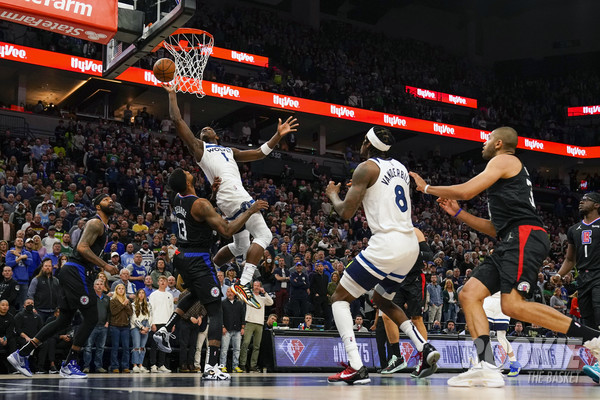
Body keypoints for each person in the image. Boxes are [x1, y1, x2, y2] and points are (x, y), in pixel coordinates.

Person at [410, 127, 600, 387]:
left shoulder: (504, 160)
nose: (484, 144)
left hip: (524, 236)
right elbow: (495, 229)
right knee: (469, 294)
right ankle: (486, 365)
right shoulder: (504, 177)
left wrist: (427, 187)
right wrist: (458, 214)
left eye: (487, 139)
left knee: (512, 305)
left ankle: (593, 338)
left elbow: (466, 191)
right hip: (511, 238)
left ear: (499, 143)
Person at [164, 83, 298, 309]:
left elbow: (259, 153)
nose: (205, 129)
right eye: (202, 129)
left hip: (228, 198)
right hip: (233, 194)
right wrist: (172, 94)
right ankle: (244, 284)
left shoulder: (229, 151)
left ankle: (212, 268)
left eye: (209, 128)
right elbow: (177, 121)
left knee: (240, 246)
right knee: (264, 235)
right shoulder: (200, 148)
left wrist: (277, 136)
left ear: (216, 135)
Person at [325, 127, 439, 385]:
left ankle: (356, 366)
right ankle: (424, 348)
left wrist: (332, 194)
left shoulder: (366, 168)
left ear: (368, 143)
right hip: (409, 244)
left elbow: (345, 213)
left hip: (387, 243)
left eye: (362, 141)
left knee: (339, 298)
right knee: (382, 300)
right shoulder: (400, 168)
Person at [152, 168, 268, 380]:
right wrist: (250, 211)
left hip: (181, 255)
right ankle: (212, 367)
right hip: (199, 259)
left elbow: (199, 212)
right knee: (215, 310)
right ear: (188, 183)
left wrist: (212, 195)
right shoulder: (200, 204)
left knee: (197, 293)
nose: (189, 171)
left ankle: (166, 329)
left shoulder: (178, 198)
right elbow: (227, 230)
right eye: (186, 172)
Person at [8, 194, 119, 378]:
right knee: (92, 316)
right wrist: (105, 265)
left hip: (73, 271)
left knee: (64, 320)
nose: (111, 201)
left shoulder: (103, 226)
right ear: (98, 206)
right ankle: (69, 363)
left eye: (111, 199)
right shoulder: (95, 223)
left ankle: (22, 354)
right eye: (106, 199)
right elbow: (82, 248)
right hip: (77, 270)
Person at [555, 192, 600, 382]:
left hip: (599, 275)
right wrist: (559, 275)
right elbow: (570, 259)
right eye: (581, 199)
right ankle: (598, 362)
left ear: (597, 204)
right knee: (589, 324)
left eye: (587, 199)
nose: (581, 201)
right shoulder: (574, 229)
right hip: (583, 279)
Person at [381, 227, 433, 377]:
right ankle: (397, 357)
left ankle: (423, 358)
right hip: (395, 277)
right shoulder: (388, 231)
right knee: (387, 316)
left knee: (416, 318)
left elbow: (428, 255)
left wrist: (410, 252)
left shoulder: (415, 231)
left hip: (414, 278)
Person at [483, 292, 521, 377]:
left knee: (501, 337)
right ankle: (490, 364)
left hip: (503, 301)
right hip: (488, 300)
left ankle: (514, 362)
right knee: (485, 335)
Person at [239, 281, 273, 372]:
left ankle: (253, 365)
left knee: (256, 346)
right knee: (245, 343)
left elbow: (271, 302)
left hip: (259, 323)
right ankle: (242, 364)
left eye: (258, 286)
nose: (257, 287)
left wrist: (265, 293)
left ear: (261, 287)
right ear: (252, 287)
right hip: (249, 322)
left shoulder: (262, 299)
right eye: (255, 285)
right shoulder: (249, 296)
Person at [82, 279, 110, 374]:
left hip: (103, 326)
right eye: (97, 284)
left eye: (101, 284)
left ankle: (99, 366)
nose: (99, 286)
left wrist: (107, 322)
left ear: (103, 286)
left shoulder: (107, 298)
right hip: (92, 326)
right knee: (88, 347)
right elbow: (83, 310)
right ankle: (86, 366)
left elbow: (109, 312)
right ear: (94, 287)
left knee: (100, 348)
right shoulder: (89, 297)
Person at [26, 258, 61, 323]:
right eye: (46, 266)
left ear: (52, 268)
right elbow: (30, 295)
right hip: (39, 311)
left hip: (53, 311)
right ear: (42, 267)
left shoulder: (56, 281)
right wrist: (32, 308)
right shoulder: (36, 279)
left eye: (49, 266)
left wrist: (58, 307)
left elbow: (59, 295)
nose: (47, 268)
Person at [109, 283, 133, 373]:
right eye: (119, 288)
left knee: (126, 347)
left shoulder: (128, 301)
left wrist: (126, 305)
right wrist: (123, 305)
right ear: (116, 290)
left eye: (122, 288)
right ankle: (114, 366)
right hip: (115, 326)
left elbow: (130, 313)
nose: (121, 290)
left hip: (125, 327)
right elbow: (113, 312)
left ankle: (125, 366)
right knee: (115, 347)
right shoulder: (113, 301)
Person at [220, 287, 245, 373]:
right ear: (226, 293)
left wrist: (242, 327)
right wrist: (222, 326)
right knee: (224, 349)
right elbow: (221, 316)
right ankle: (223, 366)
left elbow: (242, 316)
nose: (229, 293)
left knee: (237, 349)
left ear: (234, 293)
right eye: (228, 292)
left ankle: (235, 366)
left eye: (231, 292)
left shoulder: (239, 303)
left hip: (237, 329)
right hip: (226, 329)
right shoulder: (223, 303)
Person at [130, 288, 152, 373]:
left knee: (142, 347)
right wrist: (142, 327)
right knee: (136, 346)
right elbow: (134, 318)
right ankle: (135, 365)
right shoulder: (133, 305)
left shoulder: (148, 304)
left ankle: (141, 365)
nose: (141, 294)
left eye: (143, 293)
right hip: (136, 326)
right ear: (137, 295)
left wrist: (147, 328)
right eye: (140, 293)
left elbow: (150, 317)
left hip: (146, 326)